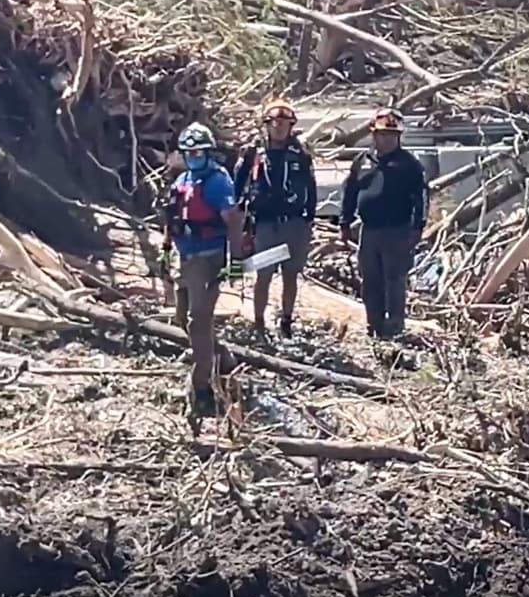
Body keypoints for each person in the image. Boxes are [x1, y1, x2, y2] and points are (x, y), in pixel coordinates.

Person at [161, 122, 245, 419]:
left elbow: (233, 221)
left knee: (198, 321)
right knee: (184, 319)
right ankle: (222, 358)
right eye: (189, 152)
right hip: (184, 257)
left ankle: (202, 388)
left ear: (208, 151)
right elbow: (170, 216)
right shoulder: (182, 180)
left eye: (198, 151)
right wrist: (165, 248)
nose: (193, 156)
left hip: (208, 258)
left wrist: (235, 260)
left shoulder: (218, 181)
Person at [339, 107, 429, 338]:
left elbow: (421, 197)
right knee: (370, 279)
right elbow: (350, 191)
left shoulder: (409, 164)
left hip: (397, 230)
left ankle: (395, 326)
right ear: (373, 135)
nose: (386, 139)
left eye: (391, 135)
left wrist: (418, 226)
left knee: (395, 280)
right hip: (368, 231)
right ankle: (374, 324)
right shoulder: (362, 161)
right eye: (382, 134)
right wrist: (345, 221)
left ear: (398, 137)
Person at [233, 99, 318, 338]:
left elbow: (310, 186)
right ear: (266, 125)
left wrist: (309, 218)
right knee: (264, 274)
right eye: (274, 123)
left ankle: (287, 321)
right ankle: (259, 322)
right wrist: (236, 212)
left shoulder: (301, 153)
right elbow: (238, 183)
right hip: (265, 223)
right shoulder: (254, 152)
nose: (279, 128)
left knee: (291, 274)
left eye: (284, 123)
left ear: (291, 126)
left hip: (294, 222)